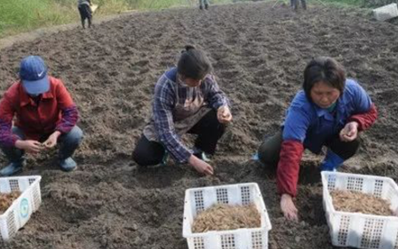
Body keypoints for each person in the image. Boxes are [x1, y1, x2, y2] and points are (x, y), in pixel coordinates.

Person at [257, 57, 378, 220]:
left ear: (340, 88)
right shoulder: (301, 106)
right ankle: (265, 151)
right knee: (268, 155)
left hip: (335, 131)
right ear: (308, 90)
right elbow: (291, 150)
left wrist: (356, 123)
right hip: (305, 136)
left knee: (352, 142)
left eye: (330, 93)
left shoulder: (353, 91)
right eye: (318, 93)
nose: (324, 99)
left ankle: (326, 168)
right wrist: (286, 195)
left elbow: (370, 112)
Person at [132, 46, 233, 175]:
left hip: (194, 115)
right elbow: (165, 132)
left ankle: (201, 151)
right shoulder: (166, 85)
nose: (200, 82)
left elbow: (216, 94)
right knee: (143, 156)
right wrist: (192, 161)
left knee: (219, 119)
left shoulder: (203, 75)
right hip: (168, 123)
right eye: (195, 80)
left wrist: (222, 107)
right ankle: (168, 152)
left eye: (201, 79)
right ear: (183, 75)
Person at [0, 56, 83, 176]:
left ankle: (63, 158)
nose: (37, 91)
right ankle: (17, 162)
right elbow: (0, 129)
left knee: (75, 134)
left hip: (54, 127)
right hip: (27, 131)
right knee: (5, 140)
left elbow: (71, 113)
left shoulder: (56, 85)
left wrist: (56, 134)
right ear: (22, 80)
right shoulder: (12, 95)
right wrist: (20, 143)